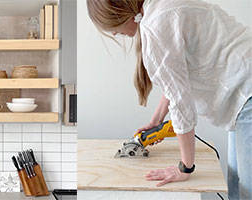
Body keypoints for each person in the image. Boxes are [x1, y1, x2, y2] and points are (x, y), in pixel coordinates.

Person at [86, 0, 252, 199]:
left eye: (114, 29)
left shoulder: (155, 28)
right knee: (237, 185)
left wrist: (185, 167)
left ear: (124, 15)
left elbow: (181, 102)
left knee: (247, 191)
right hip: (242, 94)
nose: (114, 34)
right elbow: (177, 79)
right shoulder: (160, 7)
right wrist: (157, 120)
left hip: (246, 92)